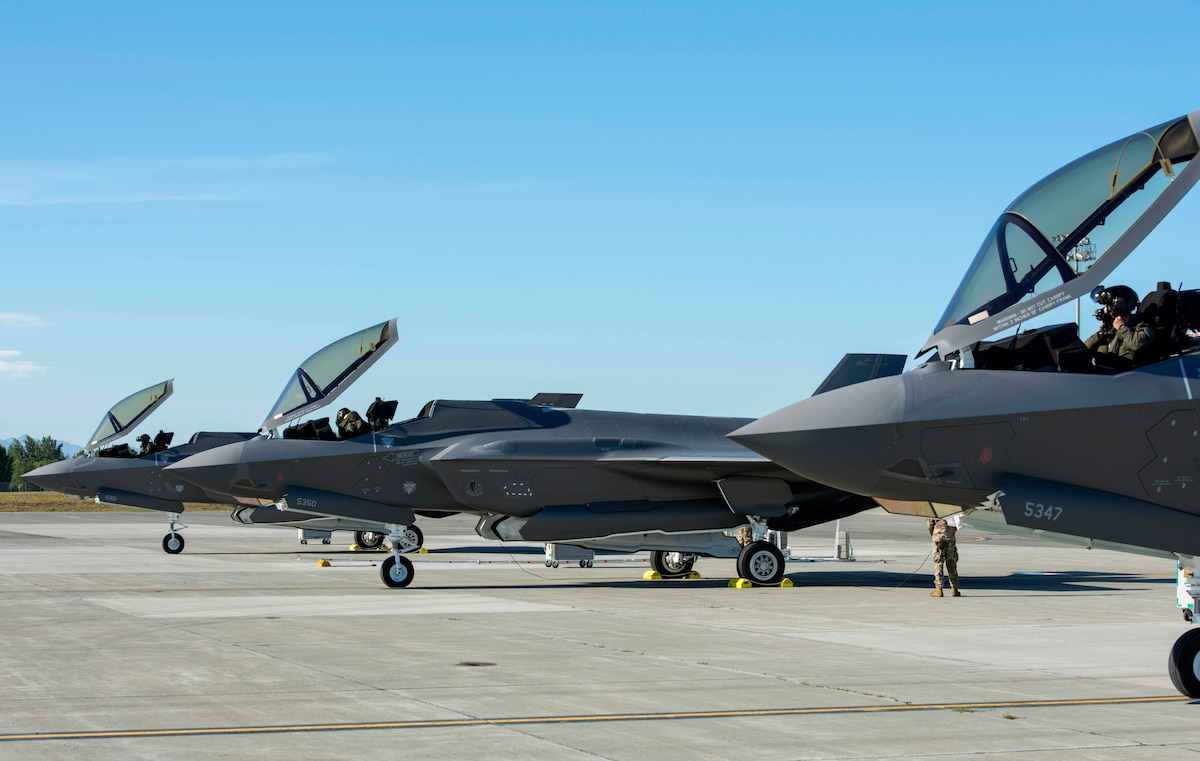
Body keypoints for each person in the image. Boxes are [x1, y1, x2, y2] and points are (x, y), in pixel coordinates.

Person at [1085, 285, 1156, 368]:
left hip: (1131, 377)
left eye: (1109, 306)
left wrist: (1122, 328)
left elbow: (1138, 344)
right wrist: (1099, 335)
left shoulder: (1140, 327)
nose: (1106, 310)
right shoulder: (1110, 331)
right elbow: (1082, 351)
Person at [927, 517, 959, 597]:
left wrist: (934, 534)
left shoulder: (936, 507)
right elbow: (958, 522)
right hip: (950, 537)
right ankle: (954, 588)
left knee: (939, 563)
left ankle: (939, 589)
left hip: (938, 537)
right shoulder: (954, 508)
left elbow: (930, 523)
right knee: (951, 563)